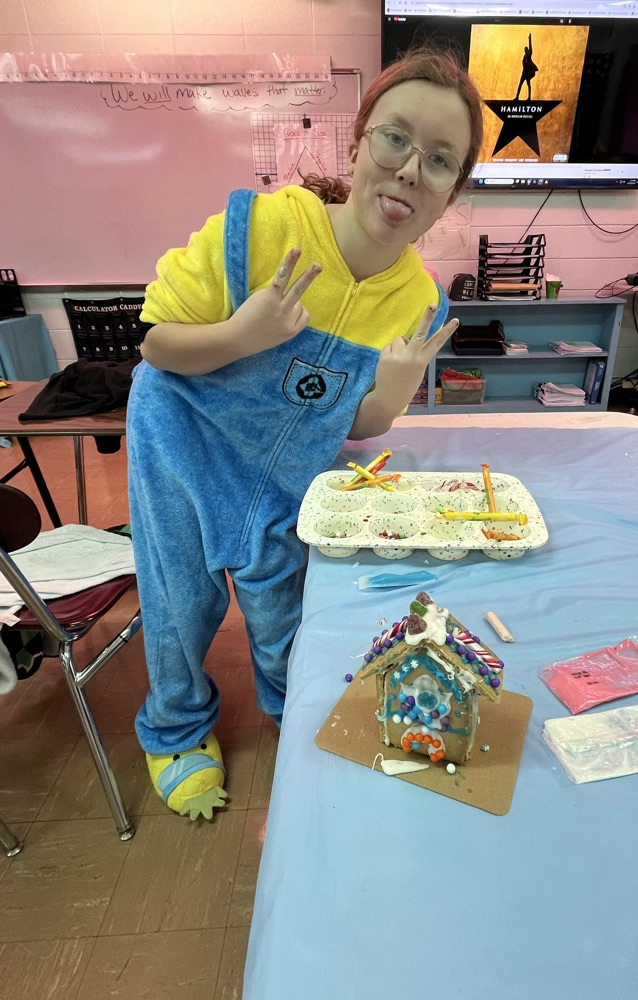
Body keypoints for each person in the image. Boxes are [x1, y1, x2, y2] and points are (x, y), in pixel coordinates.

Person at [126, 47, 484, 819]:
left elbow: (349, 423)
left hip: (288, 473)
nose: (410, 172)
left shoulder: (417, 298)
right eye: (395, 138)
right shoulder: (261, 227)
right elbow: (157, 342)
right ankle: (176, 730)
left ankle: (295, 714)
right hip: (182, 446)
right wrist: (239, 336)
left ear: (454, 186)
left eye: (440, 159)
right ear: (357, 141)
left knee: (288, 609)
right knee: (180, 603)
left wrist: (387, 400)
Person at [515, 33, 538, 101]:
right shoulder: (524, 56)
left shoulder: (529, 54)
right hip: (524, 72)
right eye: (525, 50)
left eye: (526, 49)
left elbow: (530, 46)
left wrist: (530, 39)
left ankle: (529, 98)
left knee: (528, 83)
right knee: (520, 85)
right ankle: (517, 97)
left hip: (529, 72)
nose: (526, 51)